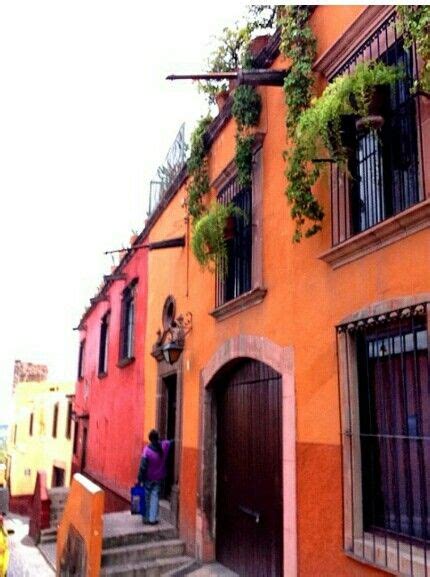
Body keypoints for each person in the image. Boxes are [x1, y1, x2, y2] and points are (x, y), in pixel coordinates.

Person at [137, 429, 173, 525]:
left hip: (148, 477)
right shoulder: (164, 446)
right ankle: (153, 519)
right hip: (159, 477)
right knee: (155, 496)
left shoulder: (147, 450)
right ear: (158, 437)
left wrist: (139, 479)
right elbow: (172, 442)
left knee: (146, 497)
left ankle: (146, 518)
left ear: (149, 439)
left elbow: (142, 466)